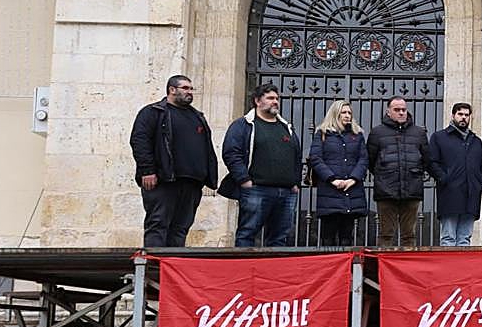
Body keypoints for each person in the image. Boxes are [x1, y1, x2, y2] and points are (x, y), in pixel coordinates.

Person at [129, 74, 218, 248]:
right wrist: (147, 170)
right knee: (158, 224)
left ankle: (173, 267)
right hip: (164, 180)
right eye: (185, 88)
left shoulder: (197, 116)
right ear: (172, 89)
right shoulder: (153, 112)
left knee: (181, 228)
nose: (190, 92)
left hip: (192, 183)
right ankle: (155, 268)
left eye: (191, 89)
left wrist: (208, 176)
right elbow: (140, 141)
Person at [219, 83, 303, 247]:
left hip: (286, 192)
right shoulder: (243, 125)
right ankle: (244, 270)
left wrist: (295, 183)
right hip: (256, 190)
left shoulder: (286, 128)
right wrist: (244, 180)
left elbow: (296, 157)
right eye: (270, 98)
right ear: (257, 101)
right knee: (247, 234)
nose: (275, 102)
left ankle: (274, 272)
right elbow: (231, 153)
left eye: (277, 98)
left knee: (280, 238)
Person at [366, 96, 431, 247]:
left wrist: (417, 173)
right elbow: (370, 160)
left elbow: (427, 159)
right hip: (386, 190)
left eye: (403, 109)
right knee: (386, 234)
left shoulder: (419, 133)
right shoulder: (377, 133)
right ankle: (384, 268)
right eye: (397, 110)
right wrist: (384, 175)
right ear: (388, 112)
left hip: (412, 189)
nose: (401, 113)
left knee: (409, 235)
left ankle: (407, 268)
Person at [307, 99, 368, 246]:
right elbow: (315, 159)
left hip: (352, 191)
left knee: (347, 237)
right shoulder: (322, 134)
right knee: (328, 237)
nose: (347, 115)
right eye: (343, 112)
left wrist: (353, 179)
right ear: (335, 114)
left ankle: (346, 268)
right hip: (330, 191)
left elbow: (363, 159)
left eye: (349, 113)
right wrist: (332, 179)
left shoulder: (357, 134)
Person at [429, 102, 482, 247]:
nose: (463, 118)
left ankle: (462, 269)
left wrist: (480, 181)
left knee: (465, 238)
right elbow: (431, 162)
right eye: (460, 114)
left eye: (467, 115)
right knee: (448, 237)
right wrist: (444, 178)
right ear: (453, 115)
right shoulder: (439, 137)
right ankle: (447, 269)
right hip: (450, 193)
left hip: (471, 194)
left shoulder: (476, 141)